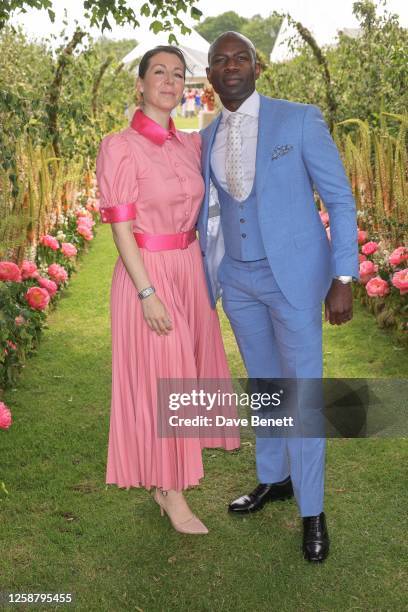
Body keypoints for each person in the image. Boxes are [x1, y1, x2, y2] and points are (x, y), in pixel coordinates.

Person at [197, 32, 359, 561]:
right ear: (212, 74)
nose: (231, 66)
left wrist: (343, 278)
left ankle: (312, 510)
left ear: (257, 67)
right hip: (239, 282)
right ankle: (275, 479)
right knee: (266, 388)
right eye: (220, 60)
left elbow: (339, 199)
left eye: (240, 57)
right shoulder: (207, 137)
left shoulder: (299, 119)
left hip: (293, 280)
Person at [96, 45, 239, 536]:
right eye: (159, 71)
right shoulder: (119, 146)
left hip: (188, 270)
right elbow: (121, 227)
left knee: (186, 380)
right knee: (164, 379)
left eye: (178, 74)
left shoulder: (189, 144)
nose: (170, 80)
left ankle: (164, 481)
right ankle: (171, 492)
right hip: (149, 273)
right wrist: (145, 292)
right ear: (139, 83)